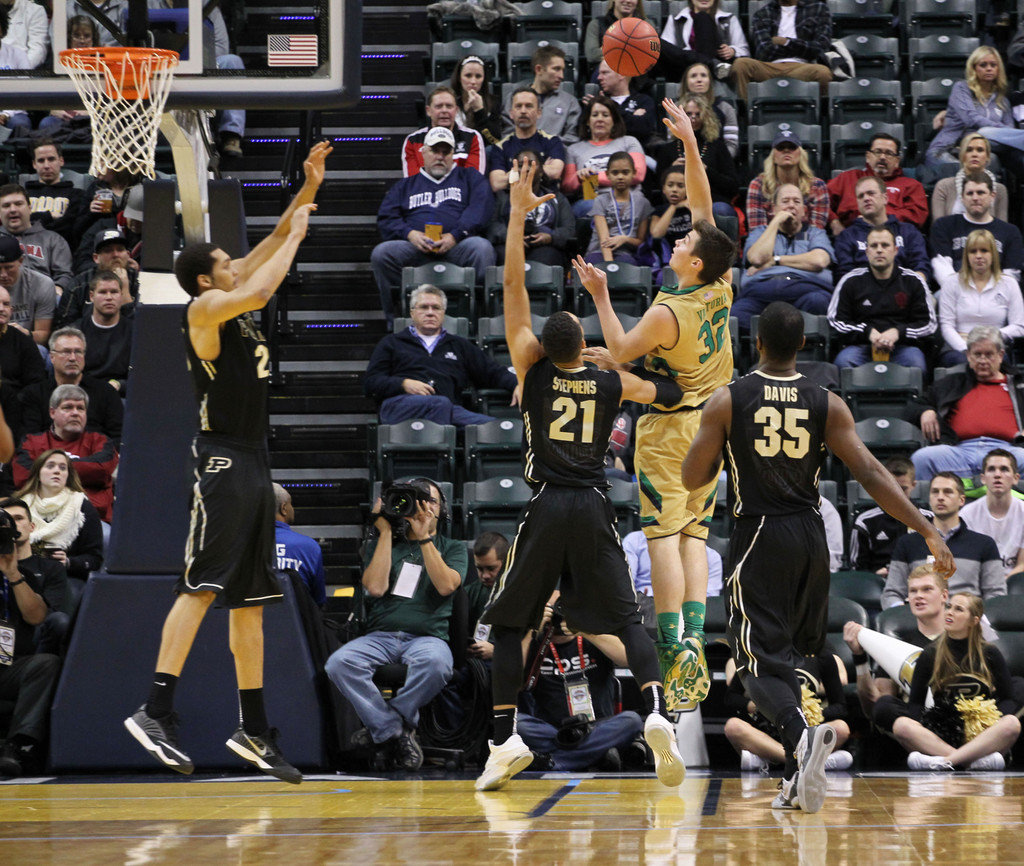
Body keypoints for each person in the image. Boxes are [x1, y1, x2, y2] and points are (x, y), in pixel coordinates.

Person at [680, 300, 955, 812]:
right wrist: (926, 528)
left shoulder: (727, 399)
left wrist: (714, 439)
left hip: (759, 532)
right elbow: (873, 474)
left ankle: (801, 736)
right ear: (803, 346)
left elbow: (692, 478)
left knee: (753, 657)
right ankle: (794, 773)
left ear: (755, 343)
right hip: (811, 535)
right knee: (785, 655)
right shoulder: (828, 402)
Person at [122, 140, 331, 784]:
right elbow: (266, 278)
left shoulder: (226, 286)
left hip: (252, 460)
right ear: (209, 278)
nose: (236, 262)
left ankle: (254, 728)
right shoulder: (206, 307)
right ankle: (154, 708)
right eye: (225, 260)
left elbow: (263, 248)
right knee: (205, 584)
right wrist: (297, 237)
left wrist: (308, 190)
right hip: (221, 461)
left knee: (251, 603)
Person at [475, 158, 685, 792]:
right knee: (626, 623)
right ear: (583, 347)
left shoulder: (534, 373)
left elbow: (513, 289)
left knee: (511, 625)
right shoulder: (608, 379)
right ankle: (655, 712)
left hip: (546, 507)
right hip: (596, 505)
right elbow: (670, 393)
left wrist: (516, 214)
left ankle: (505, 737)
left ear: (542, 347)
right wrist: (612, 355)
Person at [574, 99, 737, 712]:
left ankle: (671, 643)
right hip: (714, 423)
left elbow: (618, 351)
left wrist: (600, 293)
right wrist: (691, 145)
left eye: (686, 240)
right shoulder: (721, 283)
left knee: (662, 536)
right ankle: (694, 633)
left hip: (671, 431)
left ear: (694, 261)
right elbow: (703, 206)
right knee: (695, 532)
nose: (682, 234)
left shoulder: (669, 312)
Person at [324, 478, 464, 771]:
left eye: (430, 501)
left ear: (443, 510)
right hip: (381, 636)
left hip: (427, 638)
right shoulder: (382, 545)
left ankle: (388, 725)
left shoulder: (453, 547)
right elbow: (375, 587)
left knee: (438, 665)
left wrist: (424, 538)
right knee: (339, 663)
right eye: (415, 501)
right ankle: (395, 732)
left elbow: (446, 586)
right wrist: (385, 531)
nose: (421, 508)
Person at [372, 127, 495, 326]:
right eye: (434, 151)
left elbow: (480, 210)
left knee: (482, 249)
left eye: (445, 152)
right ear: (423, 153)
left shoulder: (469, 177)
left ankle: (477, 319)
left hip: (457, 247)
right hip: (416, 250)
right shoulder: (405, 185)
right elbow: (386, 218)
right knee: (382, 254)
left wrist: (455, 235)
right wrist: (410, 234)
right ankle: (397, 320)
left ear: (453, 154)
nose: (440, 156)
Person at [894, 593, 1020, 771]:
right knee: (901, 725)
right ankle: (970, 762)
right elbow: (916, 703)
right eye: (949, 607)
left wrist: (990, 724)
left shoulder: (990, 653)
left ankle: (944, 761)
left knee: (1012, 723)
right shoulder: (931, 653)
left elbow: (1008, 699)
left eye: (958, 609)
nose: (949, 612)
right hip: (943, 733)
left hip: (980, 733)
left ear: (973, 620)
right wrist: (925, 729)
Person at [363, 284, 517, 426]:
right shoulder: (392, 343)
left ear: (443, 312)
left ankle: (440, 442)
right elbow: (371, 383)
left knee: (499, 428)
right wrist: (403, 384)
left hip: (448, 411)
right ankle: (437, 449)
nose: (430, 313)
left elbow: (492, 372)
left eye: (436, 308)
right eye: (424, 307)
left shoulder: (459, 345)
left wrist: (518, 385)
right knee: (439, 404)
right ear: (412, 312)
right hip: (400, 408)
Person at [517, 614, 645, 772]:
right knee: (517, 723)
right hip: (552, 731)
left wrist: (584, 629)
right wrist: (532, 631)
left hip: (597, 728)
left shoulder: (592, 639)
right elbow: (511, 675)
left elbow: (628, 658)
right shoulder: (537, 645)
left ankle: (555, 761)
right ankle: (595, 755)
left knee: (632, 720)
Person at [909, 326, 1024, 481]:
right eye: (977, 354)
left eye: (989, 354)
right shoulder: (952, 383)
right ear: (968, 356)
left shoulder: (1019, 384)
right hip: (959, 452)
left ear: (1001, 355)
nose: (983, 360)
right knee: (922, 459)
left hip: (1008, 451)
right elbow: (915, 404)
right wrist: (926, 411)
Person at [0, 497, 62, 779]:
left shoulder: (23, 575)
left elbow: (36, 617)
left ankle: (16, 746)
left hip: (10, 667)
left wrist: (12, 573)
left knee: (46, 662)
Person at [881, 472, 1003, 610]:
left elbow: (996, 595)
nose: (940, 497)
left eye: (947, 492)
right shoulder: (907, 543)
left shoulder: (984, 544)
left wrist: (977, 621)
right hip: (920, 623)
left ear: (961, 500)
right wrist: (904, 616)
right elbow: (891, 593)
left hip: (968, 623)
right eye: (935, 492)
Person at [844, 564, 947, 721]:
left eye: (927, 589)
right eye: (913, 591)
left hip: (960, 717)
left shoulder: (964, 639)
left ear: (944, 596)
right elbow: (874, 705)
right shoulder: (896, 646)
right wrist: (859, 658)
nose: (918, 596)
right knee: (885, 705)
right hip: (916, 724)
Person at [724, 649, 853, 773]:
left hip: (805, 732)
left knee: (841, 728)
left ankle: (768, 760)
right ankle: (811, 762)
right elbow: (731, 698)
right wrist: (755, 705)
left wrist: (814, 711)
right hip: (765, 733)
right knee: (733, 726)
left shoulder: (822, 656)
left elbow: (840, 707)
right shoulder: (754, 654)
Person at [827, 224, 936, 372]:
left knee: (916, 365)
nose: (879, 250)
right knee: (843, 363)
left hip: (903, 347)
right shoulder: (850, 280)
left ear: (895, 250)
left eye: (885, 245)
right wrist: (868, 333)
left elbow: (928, 324)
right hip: (862, 347)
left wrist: (897, 332)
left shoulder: (913, 281)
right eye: (874, 246)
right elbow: (836, 321)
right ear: (866, 251)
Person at [734, 182, 834, 332]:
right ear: (773, 209)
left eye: (797, 202)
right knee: (736, 314)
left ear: (804, 211)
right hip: (761, 292)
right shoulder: (760, 232)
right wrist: (775, 223)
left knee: (818, 302)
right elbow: (756, 258)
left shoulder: (815, 233)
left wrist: (775, 260)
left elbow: (819, 260)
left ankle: (799, 349)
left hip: (805, 289)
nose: (791, 206)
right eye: (785, 201)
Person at [14, 384, 118, 524]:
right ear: (52, 412)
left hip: (92, 519)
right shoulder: (31, 442)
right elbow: (23, 476)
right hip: (42, 518)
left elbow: (102, 470)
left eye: (80, 408)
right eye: (68, 407)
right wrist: (80, 472)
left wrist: (50, 470)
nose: (75, 413)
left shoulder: (100, 440)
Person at [925, 46, 1024, 178]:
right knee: (983, 132)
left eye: (993, 65)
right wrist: (996, 130)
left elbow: (1008, 133)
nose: (989, 68)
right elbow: (970, 118)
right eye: (983, 65)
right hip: (949, 148)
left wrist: (997, 132)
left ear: (998, 69)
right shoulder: (961, 89)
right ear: (974, 68)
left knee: (999, 141)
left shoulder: (1002, 100)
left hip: (988, 147)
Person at [19, 327, 124, 445]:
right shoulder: (34, 394)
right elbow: (29, 438)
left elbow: (119, 437)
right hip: (49, 458)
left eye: (78, 352)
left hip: (96, 457)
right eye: (66, 352)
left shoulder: (106, 392)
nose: (73, 358)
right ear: (52, 357)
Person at [938, 228, 1024, 367]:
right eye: (973, 251)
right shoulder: (951, 282)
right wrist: (967, 349)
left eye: (984, 250)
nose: (978, 256)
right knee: (963, 362)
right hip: (958, 349)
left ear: (993, 254)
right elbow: (947, 325)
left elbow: (1019, 326)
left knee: (1001, 363)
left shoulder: (1009, 283)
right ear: (966, 255)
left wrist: (988, 339)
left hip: (995, 347)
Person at [14, 448, 103, 581]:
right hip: (21, 574)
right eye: (50, 466)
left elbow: (95, 559)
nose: (57, 471)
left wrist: (68, 562)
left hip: (66, 577)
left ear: (68, 475)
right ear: (38, 473)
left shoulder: (83, 507)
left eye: (63, 468)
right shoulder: (18, 506)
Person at [651, 94, 737, 218]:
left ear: (706, 117)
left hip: (712, 202)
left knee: (722, 210)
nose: (693, 118)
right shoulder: (668, 149)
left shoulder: (717, 147)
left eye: (698, 114)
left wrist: (705, 169)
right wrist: (672, 170)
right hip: (676, 204)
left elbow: (732, 186)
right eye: (688, 114)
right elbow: (658, 188)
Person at [727, 0, 833, 100]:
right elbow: (763, 51)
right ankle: (746, 113)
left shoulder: (818, 9)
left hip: (803, 67)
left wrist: (786, 42)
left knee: (823, 73)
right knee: (741, 64)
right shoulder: (763, 13)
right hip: (769, 67)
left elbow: (820, 48)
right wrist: (801, 49)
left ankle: (820, 115)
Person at [930, 172, 1024, 284]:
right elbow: (941, 267)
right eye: (970, 193)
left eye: (981, 193)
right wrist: (963, 292)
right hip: (954, 292)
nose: (975, 198)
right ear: (962, 198)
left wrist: (988, 293)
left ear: (992, 196)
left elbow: (1011, 275)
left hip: (997, 294)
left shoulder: (1010, 232)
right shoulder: (944, 225)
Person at [487, 149, 574, 270]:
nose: (526, 169)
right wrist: (510, 236)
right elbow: (491, 226)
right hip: (509, 245)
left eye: (532, 164)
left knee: (548, 257)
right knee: (504, 255)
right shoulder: (502, 197)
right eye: (521, 165)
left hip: (546, 247)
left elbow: (569, 230)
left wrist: (550, 237)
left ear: (542, 171)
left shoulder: (556, 198)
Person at [832, 175, 931, 282]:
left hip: (905, 293)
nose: (866, 198)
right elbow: (844, 274)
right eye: (861, 196)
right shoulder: (847, 236)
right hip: (862, 294)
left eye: (871, 193)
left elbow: (921, 267)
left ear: (885, 198)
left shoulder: (908, 232)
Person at [562, 96, 647, 218]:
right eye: (595, 115)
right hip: (591, 202)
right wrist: (579, 176)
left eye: (605, 115)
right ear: (587, 120)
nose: (600, 119)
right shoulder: (574, 149)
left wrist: (593, 177)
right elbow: (567, 186)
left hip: (628, 198)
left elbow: (638, 175)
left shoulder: (629, 142)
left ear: (614, 121)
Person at [828, 134, 928, 234]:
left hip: (894, 236)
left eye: (889, 153)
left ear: (897, 161)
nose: (883, 157)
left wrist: (877, 218)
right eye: (878, 152)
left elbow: (917, 216)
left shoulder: (911, 185)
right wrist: (834, 222)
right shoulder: (847, 178)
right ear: (868, 156)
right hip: (851, 235)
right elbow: (820, 200)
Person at [849, 457, 932, 575]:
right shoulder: (865, 522)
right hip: (879, 585)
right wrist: (875, 576)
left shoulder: (930, 519)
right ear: (883, 485)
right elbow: (856, 570)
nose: (898, 495)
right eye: (892, 488)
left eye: (903, 489)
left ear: (914, 485)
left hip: (922, 581)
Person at [56, 228, 138, 331]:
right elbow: (63, 327)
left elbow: (143, 328)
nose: (115, 255)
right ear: (96, 258)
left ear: (128, 255)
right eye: (108, 250)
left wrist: (125, 289)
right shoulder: (79, 284)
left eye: (120, 249)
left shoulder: (140, 282)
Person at [488, 87, 567, 193]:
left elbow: (555, 172)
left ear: (539, 112)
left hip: (546, 200)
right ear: (511, 113)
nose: (523, 111)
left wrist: (512, 172)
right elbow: (497, 183)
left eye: (529, 106)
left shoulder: (552, 141)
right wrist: (541, 169)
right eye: (518, 106)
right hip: (512, 203)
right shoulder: (500, 147)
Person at [746, 131, 828, 231]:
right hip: (769, 241)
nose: (786, 151)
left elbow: (816, 231)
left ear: (800, 154)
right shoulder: (758, 185)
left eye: (792, 147)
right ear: (773, 156)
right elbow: (757, 230)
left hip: (806, 242)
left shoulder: (817, 186)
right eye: (781, 148)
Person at [0, 184, 74, 297]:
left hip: (42, 297)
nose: (13, 209)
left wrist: (58, 288)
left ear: (30, 208)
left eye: (18, 204)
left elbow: (64, 274)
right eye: (6, 206)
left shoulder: (53, 239)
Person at [960, 449, 1024, 577]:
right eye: (991, 469)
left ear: (1016, 478)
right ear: (983, 478)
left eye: (1004, 469)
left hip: (1015, 583)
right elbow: (967, 563)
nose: (997, 475)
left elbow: (1022, 565)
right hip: (978, 582)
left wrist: (1001, 583)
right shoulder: (967, 515)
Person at [582, 152, 653, 265]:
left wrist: (625, 239)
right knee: (595, 266)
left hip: (626, 253)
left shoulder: (643, 203)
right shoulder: (600, 201)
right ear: (607, 174)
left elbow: (640, 241)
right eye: (615, 173)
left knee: (627, 266)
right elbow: (604, 241)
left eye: (625, 172)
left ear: (634, 173)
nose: (620, 177)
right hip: (599, 251)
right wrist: (610, 267)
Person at [500, 45, 580, 144]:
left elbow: (572, 138)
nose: (561, 76)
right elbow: (507, 134)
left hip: (556, 156)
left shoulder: (569, 102)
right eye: (556, 69)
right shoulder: (514, 98)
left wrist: (548, 146)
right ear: (539, 69)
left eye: (562, 70)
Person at [71, 270, 133, 394]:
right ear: (91, 296)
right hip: (84, 395)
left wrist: (120, 384)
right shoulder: (75, 332)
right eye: (103, 292)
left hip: (121, 395)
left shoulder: (135, 332)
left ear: (121, 295)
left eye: (114, 292)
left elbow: (142, 375)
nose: (109, 297)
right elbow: (68, 375)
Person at [402, 86, 486, 177]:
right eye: (439, 106)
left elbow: (474, 180)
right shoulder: (412, 140)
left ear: (456, 110)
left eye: (449, 106)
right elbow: (413, 183)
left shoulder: (472, 137)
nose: (444, 110)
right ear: (428, 111)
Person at [660, 0, 750, 82]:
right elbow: (668, 51)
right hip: (684, 68)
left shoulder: (729, 19)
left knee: (702, 17)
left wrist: (733, 50)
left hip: (720, 68)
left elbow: (744, 51)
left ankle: (709, 66)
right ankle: (712, 65)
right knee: (658, 43)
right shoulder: (676, 19)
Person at [930, 133, 1009, 222]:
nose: (974, 154)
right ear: (962, 156)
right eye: (969, 150)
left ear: (987, 156)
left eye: (980, 150)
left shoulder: (1000, 190)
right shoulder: (943, 187)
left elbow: (1003, 229)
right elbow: (938, 227)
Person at [22, 140, 88, 246]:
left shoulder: (77, 194)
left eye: (51, 159)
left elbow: (71, 227)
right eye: (41, 160)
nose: (46, 165)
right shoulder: (23, 194)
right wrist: (50, 216)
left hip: (63, 247)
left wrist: (34, 220)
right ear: (34, 164)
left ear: (61, 161)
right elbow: (19, 222)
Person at [272, 483, 326, 608]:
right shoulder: (309, 546)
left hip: (251, 623)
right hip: (297, 624)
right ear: (284, 508)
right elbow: (319, 601)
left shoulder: (241, 546)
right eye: (291, 504)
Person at [0, 233, 55, 347]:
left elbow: (44, 335)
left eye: (9, 267)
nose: (3, 274)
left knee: (41, 350)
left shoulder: (41, 284)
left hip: (25, 344)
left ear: (21, 261)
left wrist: (24, 334)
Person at [591, 60, 657, 149]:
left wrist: (609, 110)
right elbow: (588, 130)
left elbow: (643, 128)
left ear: (621, 74)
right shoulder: (597, 102)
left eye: (605, 73)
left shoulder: (644, 100)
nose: (599, 77)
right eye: (599, 73)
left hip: (636, 152)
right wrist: (631, 117)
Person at [679, 61, 739, 158]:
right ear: (686, 82)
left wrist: (713, 162)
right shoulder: (676, 109)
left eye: (703, 75)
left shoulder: (725, 108)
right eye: (693, 76)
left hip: (717, 164)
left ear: (710, 81)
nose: (699, 80)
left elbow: (732, 145)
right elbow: (672, 142)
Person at [0, 283, 45, 393]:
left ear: (11, 310)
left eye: (6, 304)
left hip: (14, 404)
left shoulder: (24, 342)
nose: (1, 308)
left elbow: (36, 383)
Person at [449, 55, 502, 146]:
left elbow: (494, 141)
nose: (473, 81)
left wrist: (479, 111)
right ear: (459, 78)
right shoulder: (449, 102)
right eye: (468, 76)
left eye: (478, 76)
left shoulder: (493, 103)